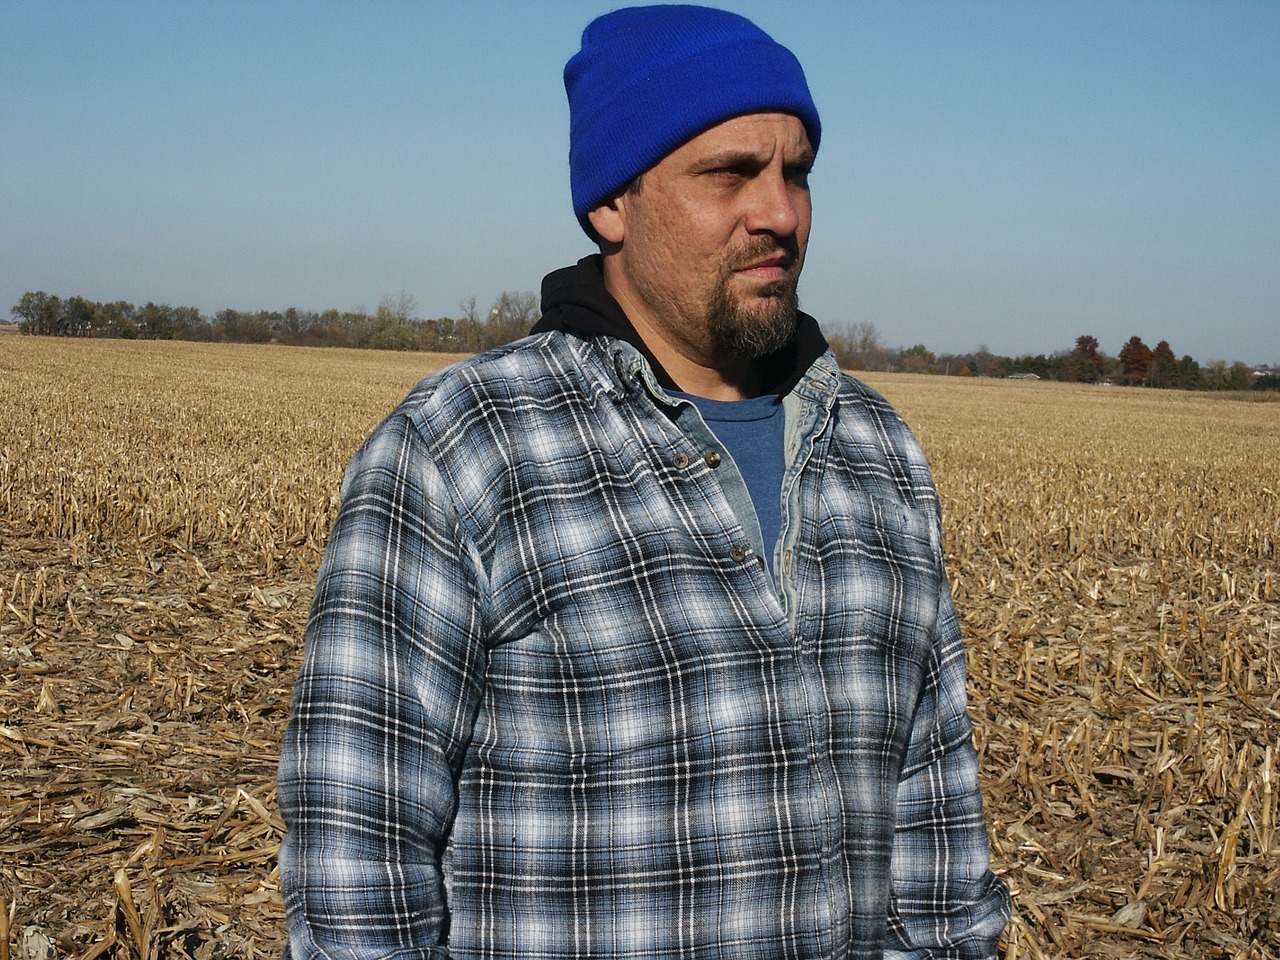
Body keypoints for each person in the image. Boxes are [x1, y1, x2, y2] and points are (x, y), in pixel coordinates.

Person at [277, 6, 1010, 958]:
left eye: (796, 173)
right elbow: (355, 864)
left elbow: (937, 839)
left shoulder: (877, 451)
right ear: (611, 204)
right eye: (729, 174)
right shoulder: (463, 449)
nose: (780, 213)